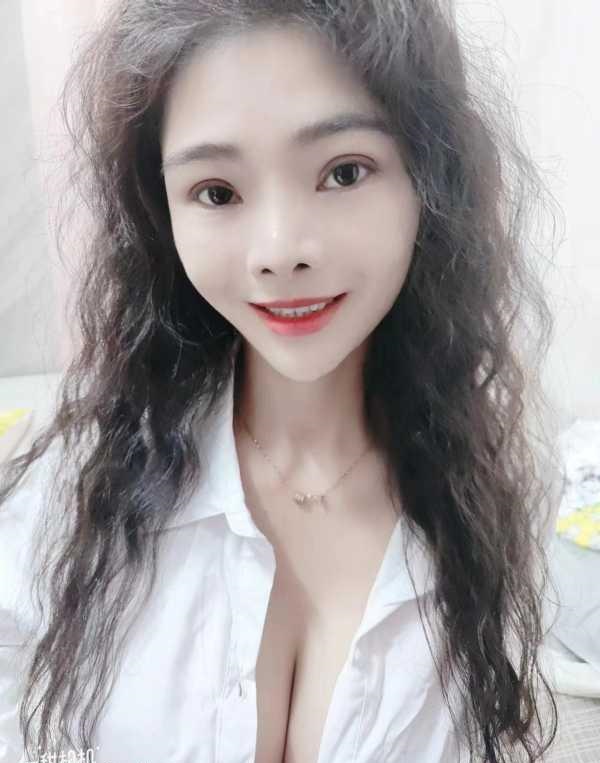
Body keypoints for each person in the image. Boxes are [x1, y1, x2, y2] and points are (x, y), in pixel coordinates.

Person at [0, 1, 564, 761]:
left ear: (429, 180)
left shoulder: (496, 489)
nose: (279, 251)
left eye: (343, 172)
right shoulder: (73, 486)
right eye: (217, 192)